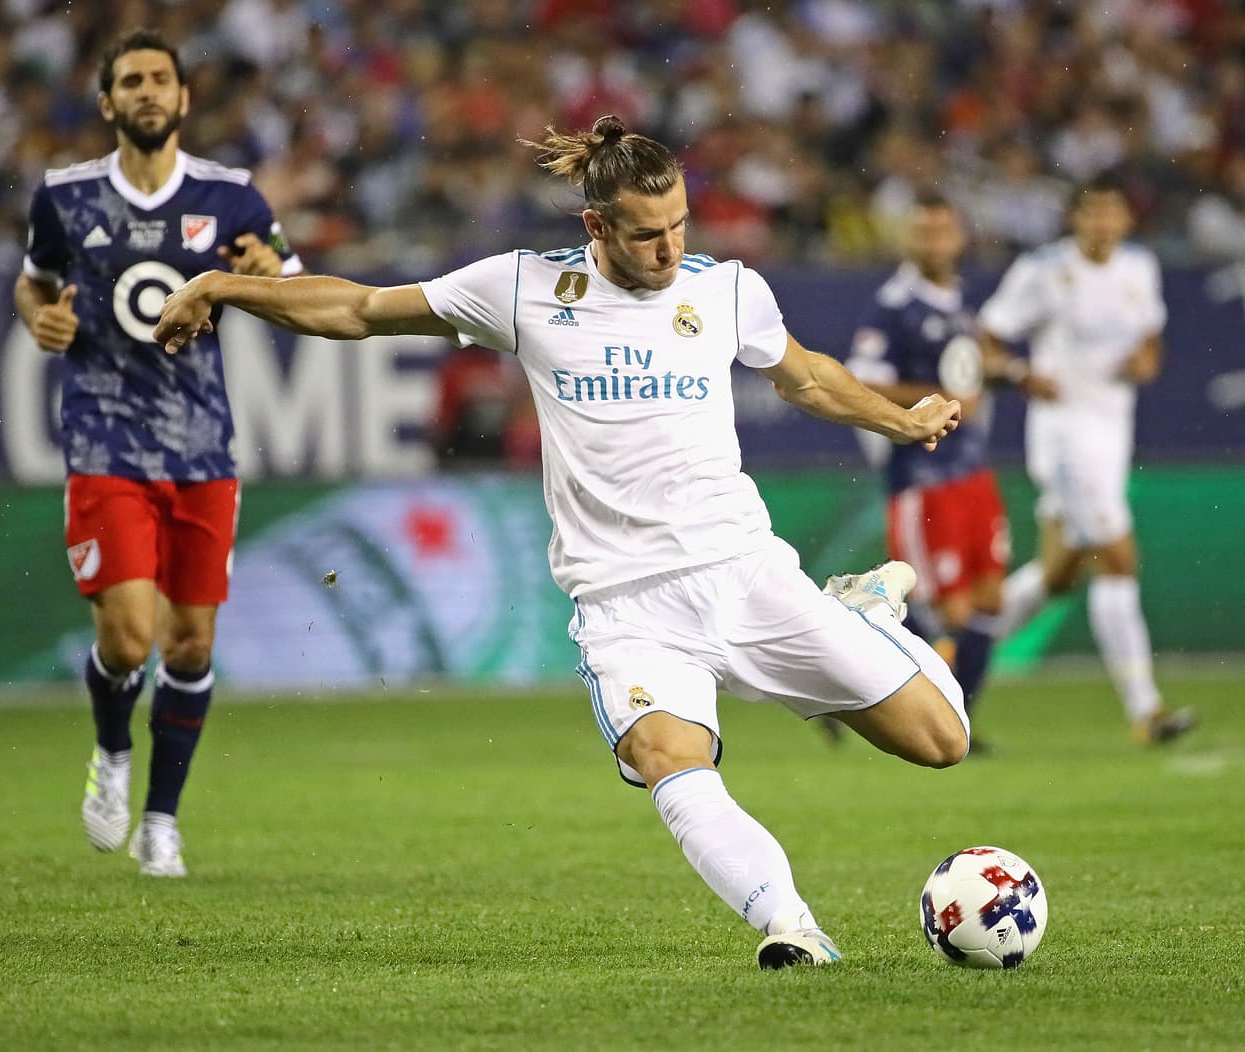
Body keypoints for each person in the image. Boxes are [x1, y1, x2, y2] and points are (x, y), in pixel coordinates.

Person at [156, 115, 969, 968]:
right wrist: (221, 287)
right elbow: (359, 309)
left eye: (679, 226)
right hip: (625, 605)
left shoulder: (726, 290)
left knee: (940, 743)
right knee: (667, 756)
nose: (667, 248)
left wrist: (900, 418)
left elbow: (804, 375)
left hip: (746, 571)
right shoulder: (523, 290)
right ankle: (792, 928)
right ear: (595, 227)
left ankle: (863, 613)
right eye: (646, 234)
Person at [13, 29, 302, 877]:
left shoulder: (234, 197)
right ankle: (110, 754)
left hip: (203, 449)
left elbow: (294, 280)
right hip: (105, 442)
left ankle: (161, 822)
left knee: (190, 648)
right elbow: (34, 281)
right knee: (131, 639)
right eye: (130, 80)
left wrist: (265, 275)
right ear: (106, 102)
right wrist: (39, 318)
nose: (147, 91)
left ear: (183, 99)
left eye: (160, 79)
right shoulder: (65, 199)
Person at [977, 174, 1195, 744]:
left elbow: (1149, 337)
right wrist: (1022, 374)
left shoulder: (1139, 268)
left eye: (1112, 214)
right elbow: (987, 338)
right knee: (1119, 558)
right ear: (1076, 219)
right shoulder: (1044, 270)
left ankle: (945, 665)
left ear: (1126, 220)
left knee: (1058, 574)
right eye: (1091, 213)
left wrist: (1147, 360)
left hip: (1112, 431)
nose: (1101, 224)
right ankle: (1145, 711)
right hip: (1064, 435)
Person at [846, 193, 1054, 748]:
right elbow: (861, 379)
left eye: (943, 231)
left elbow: (970, 367)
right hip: (923, 476)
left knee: (988, 602)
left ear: (959, 237)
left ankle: (958, 719)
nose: (934, 242)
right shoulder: (894, 305)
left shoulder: (959, 301)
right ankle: (843, 668)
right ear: (908, 240)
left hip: (972, 473)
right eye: (923, 232)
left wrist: (1011, 371)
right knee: (946, 610)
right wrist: (940, 398)